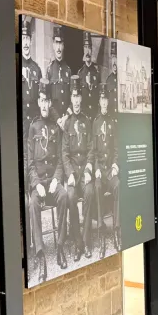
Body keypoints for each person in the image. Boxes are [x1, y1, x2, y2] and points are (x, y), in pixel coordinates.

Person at [27, 79, 68, 281]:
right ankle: (40, 253)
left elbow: (61, 159)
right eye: (41, 100)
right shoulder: (33, 127)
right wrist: (36, 184)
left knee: (64, 196)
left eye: (47, 101)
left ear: (50, 103)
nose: (44, 105)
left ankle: (60, 246)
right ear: (39, 102)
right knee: (32, 203)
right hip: (39, 184)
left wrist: (56, 179)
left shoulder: (55, 128)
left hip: (52, 180)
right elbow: (29, 163)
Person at [62, 76, 94, 261]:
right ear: (71, 98)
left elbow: (91, 148)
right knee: (71, 196)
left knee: (89, 193)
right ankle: (77, 243)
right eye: (73, 96)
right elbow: (64, 153)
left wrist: (89, 167)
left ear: (81, 98)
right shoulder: (67, 124)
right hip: (73, 172)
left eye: (78, 96)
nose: (76, 100)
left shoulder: (87, 121)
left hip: (86, 172)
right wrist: (70, 174)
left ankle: (87, 241)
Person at [89, 83, 120, 258]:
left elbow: (116, 149)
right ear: (99, 101)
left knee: (118, 186)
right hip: (101, 170)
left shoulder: (112, 122)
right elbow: (93, 151)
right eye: (102, 99)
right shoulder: (95, 123)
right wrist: (96, 170)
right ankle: (101, 230)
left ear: (108, 101)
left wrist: (115, 165)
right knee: (97, 187)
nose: (104, 102)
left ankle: (116, 228)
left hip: (111, 170)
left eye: (106, 99)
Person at [47, 24, 72, 131]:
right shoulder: (49, 70)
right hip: (54, 123)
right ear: (53, 45)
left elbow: (73, 98)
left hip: (67, 122)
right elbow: (47, 99)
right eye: (56, 43)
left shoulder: (68, 70)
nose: (58, 47)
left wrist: (66, 116)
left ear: (64, 45)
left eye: (60, 43)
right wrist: (58, 119)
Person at [20, 17, 42, 141]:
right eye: (23, 39)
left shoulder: (37, 69)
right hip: (21, 122)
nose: (26, 43)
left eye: (27, 38)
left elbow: (41, 96)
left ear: (31, 40)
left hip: (34, 122)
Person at [78, 32, 100, 121]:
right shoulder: (80, 73)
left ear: (92, 50)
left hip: (95, 115)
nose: (87, 51)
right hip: (84, 116)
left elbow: (99, 95)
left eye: (89, 48)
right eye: (85, 47)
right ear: (83, 50)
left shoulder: (97, 73)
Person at [105, 42, 118, 114]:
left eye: (116, 57)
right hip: (112, 114)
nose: (114, 61)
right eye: (113, 57)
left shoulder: (122, 78)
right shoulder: (108, 79)